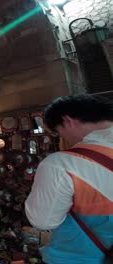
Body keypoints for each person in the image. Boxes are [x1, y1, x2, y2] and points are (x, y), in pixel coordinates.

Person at [25, 93, 113, 264]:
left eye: (59, 133)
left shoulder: (62, 164)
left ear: (68, 121)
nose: (63, 139)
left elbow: (43, 221)